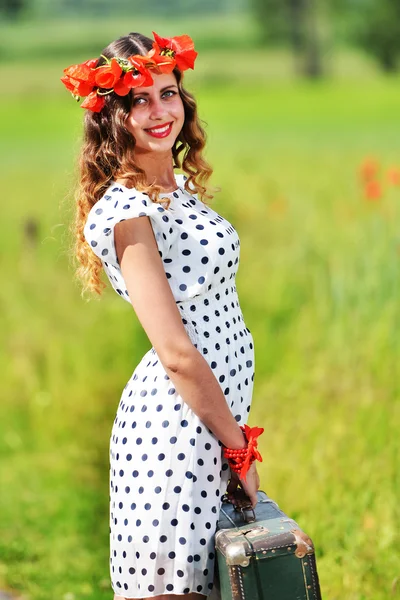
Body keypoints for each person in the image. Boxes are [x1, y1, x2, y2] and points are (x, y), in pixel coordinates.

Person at [62, 30, 263, 600]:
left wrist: (230, 438)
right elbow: (175, 351)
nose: (159, 111)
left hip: (208, 423)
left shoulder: (173, 189)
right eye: (140, 100)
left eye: (168, 93)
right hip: (172, 437)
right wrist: (240, 449)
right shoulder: (128, 211)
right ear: (112, 116)